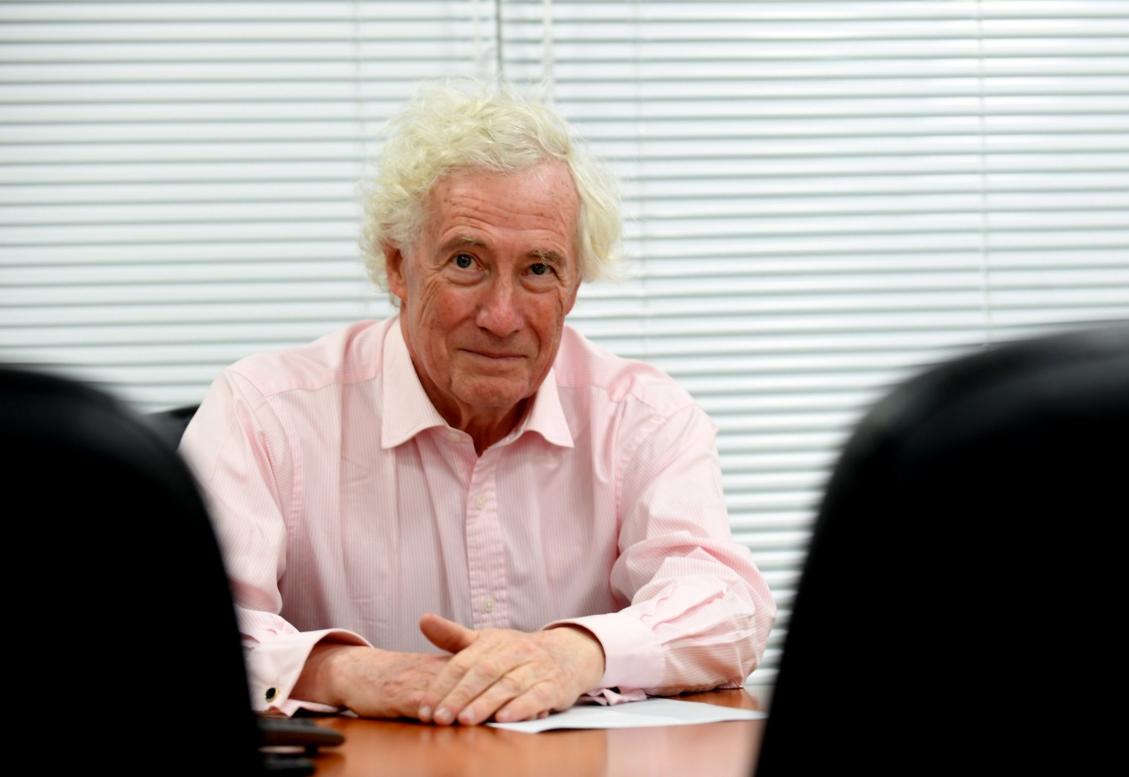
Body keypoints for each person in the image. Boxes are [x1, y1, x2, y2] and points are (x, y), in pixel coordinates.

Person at [180, 80, 774, 726]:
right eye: (466, 261)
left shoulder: (644, 416)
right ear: (398, 268)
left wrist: (578, 652)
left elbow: (728, 605)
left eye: (540, 269)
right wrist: (346, 670)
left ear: (574, 285)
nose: (501, 315)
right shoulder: (264, 412)